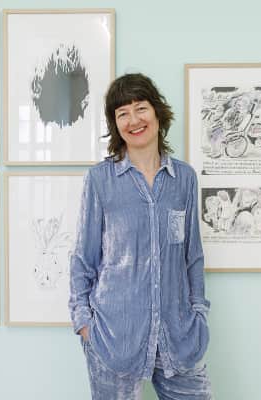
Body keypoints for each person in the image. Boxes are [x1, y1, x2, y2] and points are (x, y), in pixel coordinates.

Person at [69, 73, 212, 400]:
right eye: (123, 113)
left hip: (179, 336)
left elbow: (192, 256)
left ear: (158, 113)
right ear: (115, 124)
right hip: (114, 338)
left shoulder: (184, 179)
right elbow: (83, 259)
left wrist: (198, 312)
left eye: (140, 108)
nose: (133, 120)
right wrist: (84, 323)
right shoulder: (100, 180)